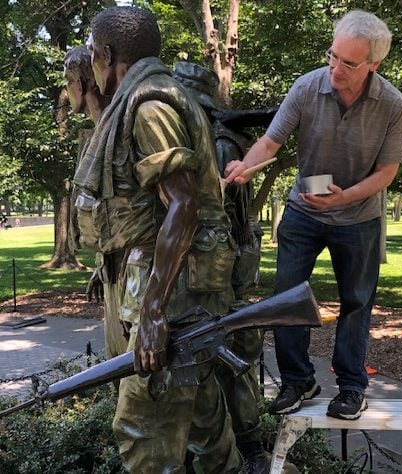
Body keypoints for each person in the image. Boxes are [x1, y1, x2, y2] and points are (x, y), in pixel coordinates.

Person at [75, 6, 242, 472]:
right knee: (206, 426)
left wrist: (152, 311)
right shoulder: (142, 98)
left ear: (106, 54)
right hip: (171, 285)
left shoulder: (150, 105)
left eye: (92, 53)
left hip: (172, 294)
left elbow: (183, 204)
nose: (90, 63)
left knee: (144, 431)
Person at [225, 9, 402, 420]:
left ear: (374, 64)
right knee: (286, 299)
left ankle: (351, 388)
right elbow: (269, 144)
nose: (334, 68)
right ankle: (297, 381)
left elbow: (387, 172)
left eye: (348, 63)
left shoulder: (393, 104)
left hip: (359, 217)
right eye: (332, 55)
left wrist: (344, 200)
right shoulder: (307, 87)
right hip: (303, 211)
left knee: (356, 302)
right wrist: (243, 165)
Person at [172, 62, 273, 473]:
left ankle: (249, 448)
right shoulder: (216, 136)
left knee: (229, 366)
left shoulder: (217, 143)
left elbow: (223, 219)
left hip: (216, 274)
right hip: (215, 270)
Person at [64, 45, 127, 361]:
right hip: (112, 271)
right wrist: (102, 264)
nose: (67, 90)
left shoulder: (122, 129)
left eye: (68, 82)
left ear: (82, 83)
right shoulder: (94, 135)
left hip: (136, 274)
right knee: (118, 366)